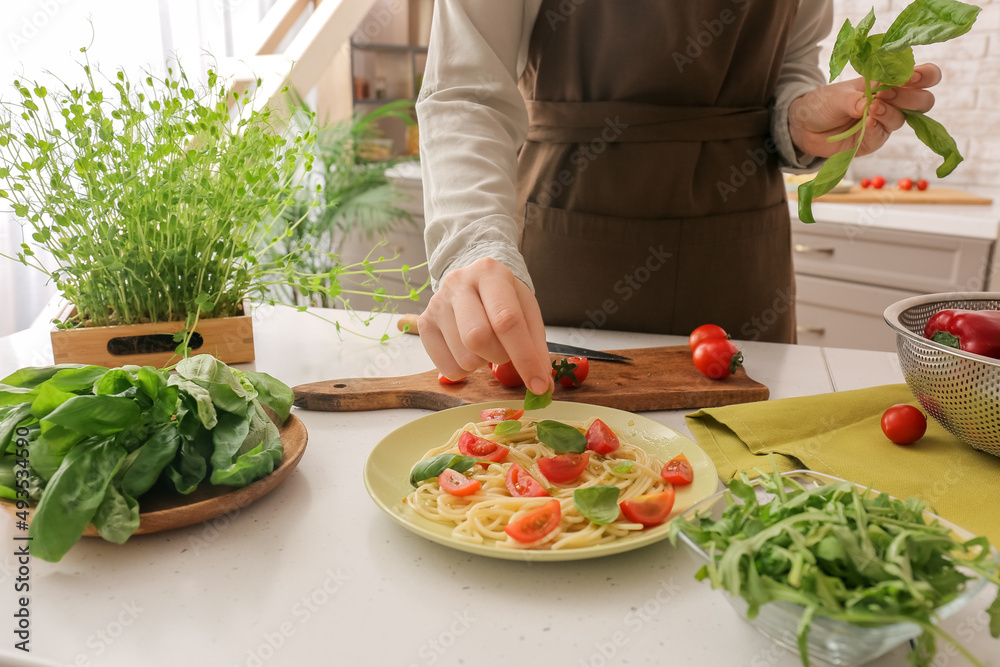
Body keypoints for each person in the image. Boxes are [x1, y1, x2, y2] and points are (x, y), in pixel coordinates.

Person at [414, 0, 941, 396]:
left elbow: (792, 63)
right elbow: (468, 91)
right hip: (570, 229)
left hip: (740, 248)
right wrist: (472, 243)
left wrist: (798, 122)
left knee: (750, 469)